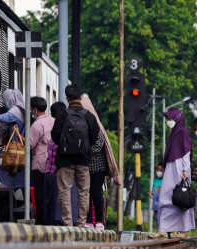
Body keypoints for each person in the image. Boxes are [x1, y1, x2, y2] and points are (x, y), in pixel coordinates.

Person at [50, 84, 100, 227]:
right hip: (84, 160)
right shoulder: (89, 116)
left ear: (67, 99)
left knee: (64, 191)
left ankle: (67, 223)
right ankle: (81, 223)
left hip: (64, 159)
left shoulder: (62, 114)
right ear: (81, 98)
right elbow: (95, 138)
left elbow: (54, 137)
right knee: (83, 192)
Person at [81, 95, 121, 230]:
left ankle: (98, 221)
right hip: (85, 165)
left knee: (95, 192)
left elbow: (98, 146)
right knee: (85, 192)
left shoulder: (96, 125)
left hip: (98, 166)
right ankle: (87, 221)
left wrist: (82, 149)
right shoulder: (81, 124)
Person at [13, 97, 54, 225]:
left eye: (31, 109)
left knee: (40, 195)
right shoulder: (54, 121)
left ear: (35, 109)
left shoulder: (36, 125)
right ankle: (52, 219)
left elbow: (30, 144)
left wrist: (17, 135)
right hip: (53, 163)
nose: (31, 111)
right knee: (51, 193)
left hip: (40, 163)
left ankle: (42, 221)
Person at [156, 109, 195, 238]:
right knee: (166, 196)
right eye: (168, 119)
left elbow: (186, 152)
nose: (169, 121)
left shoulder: (183, 132)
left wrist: (185, 170)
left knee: (180, 197)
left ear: (177, 119)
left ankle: (184, 231)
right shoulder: (174, 132)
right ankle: (164, 229)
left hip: (179, 169)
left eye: (170, 119)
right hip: (171, 168)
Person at [0, 89, 26, 198]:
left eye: (6, 101)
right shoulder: (23, 107)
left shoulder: (15, 110)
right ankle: (11, 185)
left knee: (0, 158)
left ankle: (7, 184)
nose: (5, 104)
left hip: (15, 145)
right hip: (20, 145)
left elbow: (3, 119)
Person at [147, 162, 165, 238]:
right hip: (155, 204)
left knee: (163, 218)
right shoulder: (155, 180)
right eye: (158, 170)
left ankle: (164, 232)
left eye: (161, 170)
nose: (159, 172)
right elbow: (154, 190)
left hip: (163, 204)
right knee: (157, 219)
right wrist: (151, 193)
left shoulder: (166, 180)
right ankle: (160, 231)